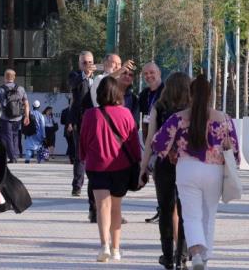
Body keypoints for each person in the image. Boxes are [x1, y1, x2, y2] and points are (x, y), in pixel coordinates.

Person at [152, 75, 240, 270]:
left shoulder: (178, 118)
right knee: (209, 214)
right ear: (211, 95)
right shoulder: (224, 119)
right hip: (214, 170)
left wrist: (172, 151)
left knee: (191, 216)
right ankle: (205, 257)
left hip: (186, 169)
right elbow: (234, 151)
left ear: (190, 95)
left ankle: (196, 254)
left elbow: (158, 143)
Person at [80, 75, 142, 263]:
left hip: (97, 166)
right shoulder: (126, 114)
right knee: (116, 208)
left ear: (99, 94)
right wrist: (138, 164)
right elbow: (133, 143)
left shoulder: (90, 114)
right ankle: (116, 249)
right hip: (121, 166)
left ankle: (104, 246)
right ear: (118, 93)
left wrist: (83, 158)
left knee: (102, 207)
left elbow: (83, 141)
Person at [142, 72, 191, 270]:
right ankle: (183, 256)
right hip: (188, 164)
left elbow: (150, 139)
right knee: (185, 210)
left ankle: (168, 256)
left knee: (165, 209)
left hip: (163, 164)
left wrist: (143, 166)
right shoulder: (193, 109)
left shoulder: (159, 107)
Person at [138, 62, 165, 224]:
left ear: (159, 72)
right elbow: (144, 117)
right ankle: (161, 209)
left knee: (162, 177)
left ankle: (165, 209)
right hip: (150, 139)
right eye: (145, 74)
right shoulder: (144, 95)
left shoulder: (166, 91)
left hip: (165, 141)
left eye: (152, 73)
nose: (149, 76)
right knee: (156, 176)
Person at [68, 51, 96, 198]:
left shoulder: (98, 79)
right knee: (80, 154)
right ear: (80, 64)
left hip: (97, 121)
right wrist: (84, 74)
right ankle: (77, 186)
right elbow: (74, 84)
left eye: (90, 62)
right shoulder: (75, 76)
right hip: (80, 120)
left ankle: (96, 183)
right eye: (84, 63)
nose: (87, 65)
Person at [0, 69, 29, 163]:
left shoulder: (1, 89)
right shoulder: (21, 89)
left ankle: (12, 157)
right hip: (18, 117)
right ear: (14, 77)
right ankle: (15, 155)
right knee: (15, 136)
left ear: (5, 77)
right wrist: (27, 116)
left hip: (6, 118)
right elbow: (26, 104)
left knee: (7, 137)